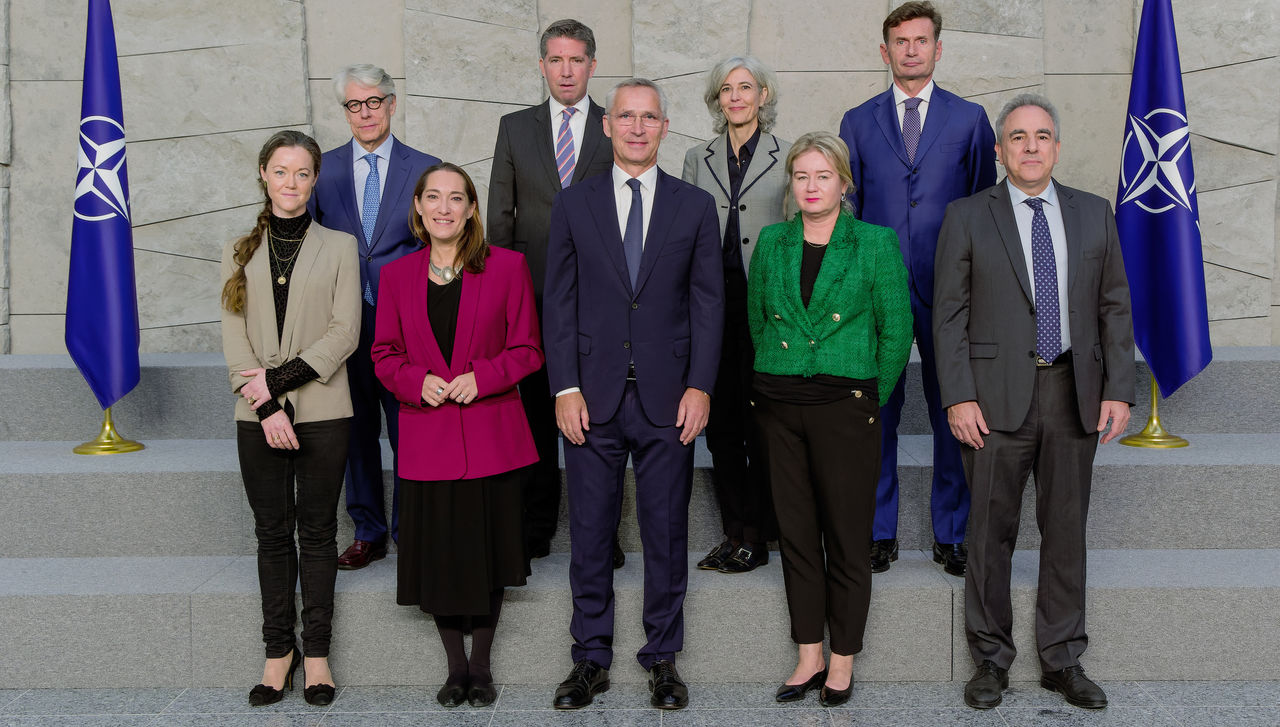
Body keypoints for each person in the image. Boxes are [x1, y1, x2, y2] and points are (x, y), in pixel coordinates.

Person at [932, 94, 1134, 710]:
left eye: (1041, 136)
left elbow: (1114, 308)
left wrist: (1120, 390)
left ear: (1057, 145)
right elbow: (949, 314)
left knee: (1066, 532)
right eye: (1017, 137)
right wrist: (958, 396)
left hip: (1074, 392)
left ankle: (1062, 659)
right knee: (990, 532)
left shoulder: (1094, 213)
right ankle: (990, 661)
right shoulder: (968, 215)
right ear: (999, 149)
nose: (1030, 147)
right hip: (992, 401)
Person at [543, 78, 723, 711]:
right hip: (589, 399)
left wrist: (701, 384)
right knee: (590, 533)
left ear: (665, 128)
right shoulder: (574, 204)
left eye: (649, 118)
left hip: (669, 399)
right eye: (627, 117)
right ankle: (590, 659)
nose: (638, 128)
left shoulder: (696, 207)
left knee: (666, 533)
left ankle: (662, 659)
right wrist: (563, 386)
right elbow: (557, 302)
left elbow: (708, 303)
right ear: (606, 126)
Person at [748, 131, 912, 707]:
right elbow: (757, 321)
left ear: (844, 182)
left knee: (845, 538)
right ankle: (808, 654)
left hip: (847, 409)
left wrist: (868, 399)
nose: (812, 187)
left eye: (823, 176)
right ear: (790, 185)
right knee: (795, 537)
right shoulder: (771, 242)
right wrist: (771, 384)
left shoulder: (874, 243)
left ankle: (842, 660)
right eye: (801, 176)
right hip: (779, 405)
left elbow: (897, 333)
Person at [371, 162, 543, 708]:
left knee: (488, 556)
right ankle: (453, 669)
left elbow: (528, 350)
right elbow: (383, 354)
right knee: (441, 559)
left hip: (491, 438)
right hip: (428, 439)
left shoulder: (508, 267)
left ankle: (482, 667)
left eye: (456, 198)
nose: (444, 208)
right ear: (418, 208)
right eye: (433, 197)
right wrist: (416, 381)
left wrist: (482, 377)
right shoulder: (396, 276)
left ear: (472, 209)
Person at [838, 0, 996, 576]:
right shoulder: (857, 121)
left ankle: (952, 533)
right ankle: (877, 531)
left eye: (921, 41)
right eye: (900, 41)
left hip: (950, 290)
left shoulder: (969, 119)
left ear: (937, 48)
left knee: (954, 408)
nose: (911, 50)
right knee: (874, 408)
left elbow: (983, 205)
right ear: (885, 51)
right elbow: (846, 209)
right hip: (876, 291)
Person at [220, 129, 361, 708]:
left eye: (303, 174)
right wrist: (268, 406)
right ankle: (279, 652)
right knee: (272, 535)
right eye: (281, 172)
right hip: (256, 416)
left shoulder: (340, 246)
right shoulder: (238, 249)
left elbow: (344, 332)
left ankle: (319, 654)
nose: (292, 184)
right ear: (263, 175)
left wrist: (278, 386)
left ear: (314, 181)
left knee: (320, 533)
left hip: (325, 410)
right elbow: (235, 339)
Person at [487, 19, 619, 566]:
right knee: (538, 418)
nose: (567, 70)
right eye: (556, 60)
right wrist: (508, 299)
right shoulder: (515, 128)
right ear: (542, 65)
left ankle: (601, 537)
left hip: (604, 300)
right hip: (533, 297)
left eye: (577, 60)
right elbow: (500, 217)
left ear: (592, 65)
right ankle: (537, 529)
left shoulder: (616, 127)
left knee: (600, 422)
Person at [309, 63, 442, 570]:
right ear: (345, 111)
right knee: (354, 430)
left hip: (407, 328)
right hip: (343, 327)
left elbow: (442, 248)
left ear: (391, 103)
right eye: (354, 105)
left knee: (410, 430)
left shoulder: (426, 169)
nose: (365, 113)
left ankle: (413, 530)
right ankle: (368, 530)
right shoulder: (322, 169)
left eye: (373, 102)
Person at [681, 54, 791, 574]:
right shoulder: (695, 158)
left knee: (761, 422)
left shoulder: (788, 156)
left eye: (746, 87)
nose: (736, 97)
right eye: (727, 89)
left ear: (762, 96)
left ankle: (761, 533)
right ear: (716, 99)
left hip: (766, 308)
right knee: (721, 424)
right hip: (711, 304)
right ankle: (734, 532)